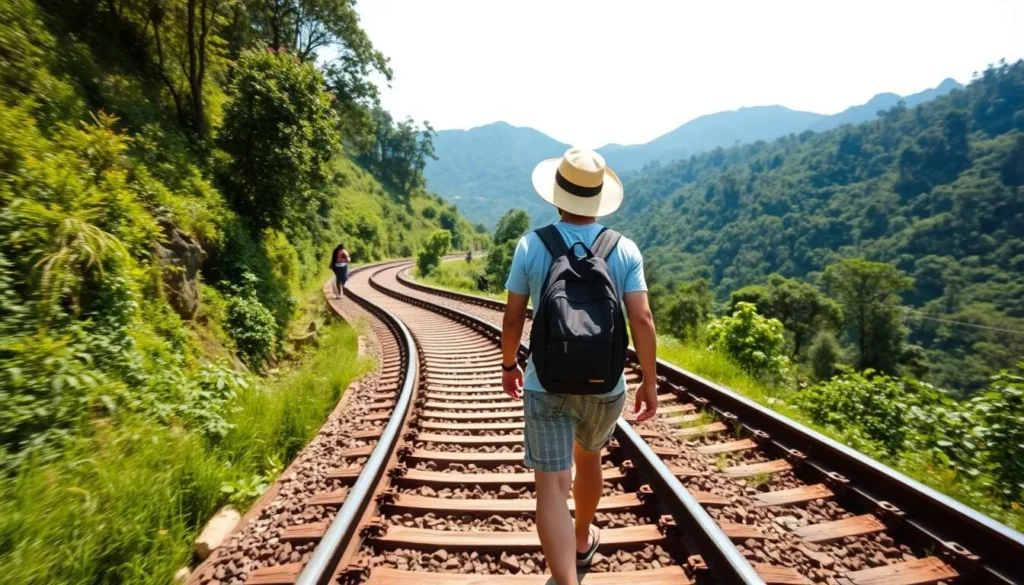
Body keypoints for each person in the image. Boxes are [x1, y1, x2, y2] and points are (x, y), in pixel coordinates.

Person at [500, 147, 659, 585]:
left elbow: (514, 317)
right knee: (588, 461)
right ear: (599, 198)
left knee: (552, 485)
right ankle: (584, 537)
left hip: (545, 380)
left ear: (557, 195)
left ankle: (566, 581)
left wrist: (511, 364)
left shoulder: (531, 245)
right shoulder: (623, 249)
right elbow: (642, 319)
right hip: (604, 385)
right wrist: (649, 380)